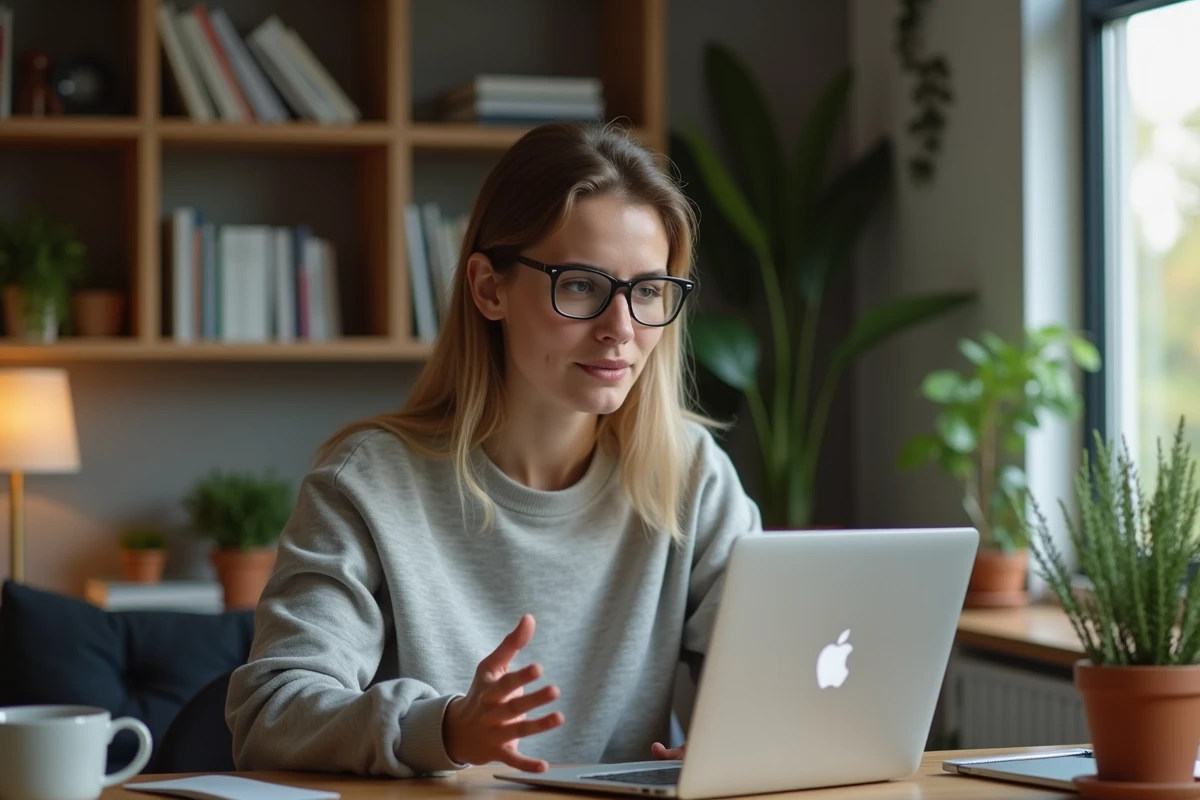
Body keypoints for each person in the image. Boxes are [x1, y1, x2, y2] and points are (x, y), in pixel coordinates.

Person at [224, 121, 763, 778]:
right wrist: (444, 729)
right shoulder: (368, 483)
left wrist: (734, 744)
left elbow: (769, 679)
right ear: (489, 289)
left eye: (647, 290)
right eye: (582, 285)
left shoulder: (692, 475)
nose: (620, 329)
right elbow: (270, 711)